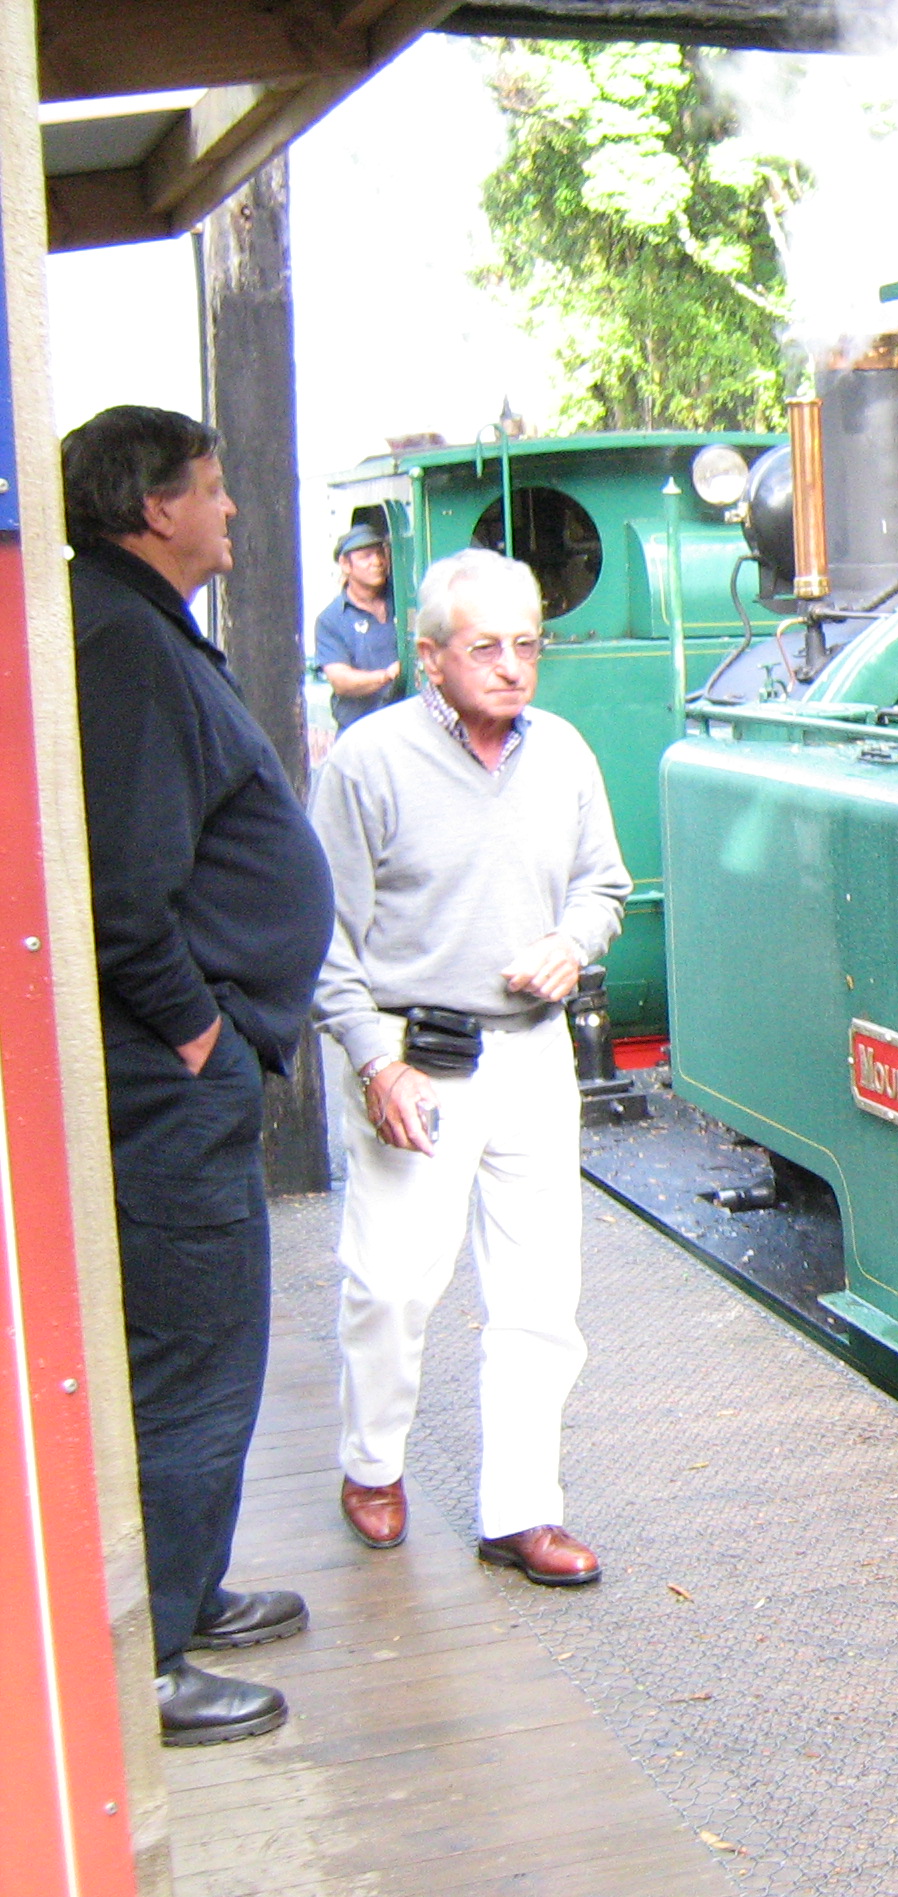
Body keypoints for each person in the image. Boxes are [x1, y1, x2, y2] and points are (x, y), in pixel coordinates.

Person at [63, 406, 336, 1746]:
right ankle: (154, 1656)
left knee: (207, 1347)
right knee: (194, 1358)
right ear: (155, 508)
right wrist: (200, 1038)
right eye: (214, 489)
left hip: (188, 1067)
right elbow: (123, 894)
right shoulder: (124, 645)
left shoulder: (136, 627)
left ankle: (190, 1586)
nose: (230, 510)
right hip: (173, 1077)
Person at [308, 548, 629, 1587]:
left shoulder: (564, 753)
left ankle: (521, 1513)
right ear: (430, 656)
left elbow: (604, 885)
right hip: (415, 1060)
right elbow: (323, 937)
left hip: (533, 1054)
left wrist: (573, 943)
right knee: (393, 1287)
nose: (512, 666)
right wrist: (375, 1063)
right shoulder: (367, 764)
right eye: (486, 646)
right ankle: (372, 1463)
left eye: (528, 643)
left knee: (541, 1300)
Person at [311, 525, 402, 732]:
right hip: (359, 730)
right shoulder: (331, 619)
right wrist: (387, 676)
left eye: (380, 554)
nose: (377, 562)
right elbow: (341, 680)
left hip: (404, 728)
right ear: (345, 564)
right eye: (366, 556)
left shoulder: (403, 600)